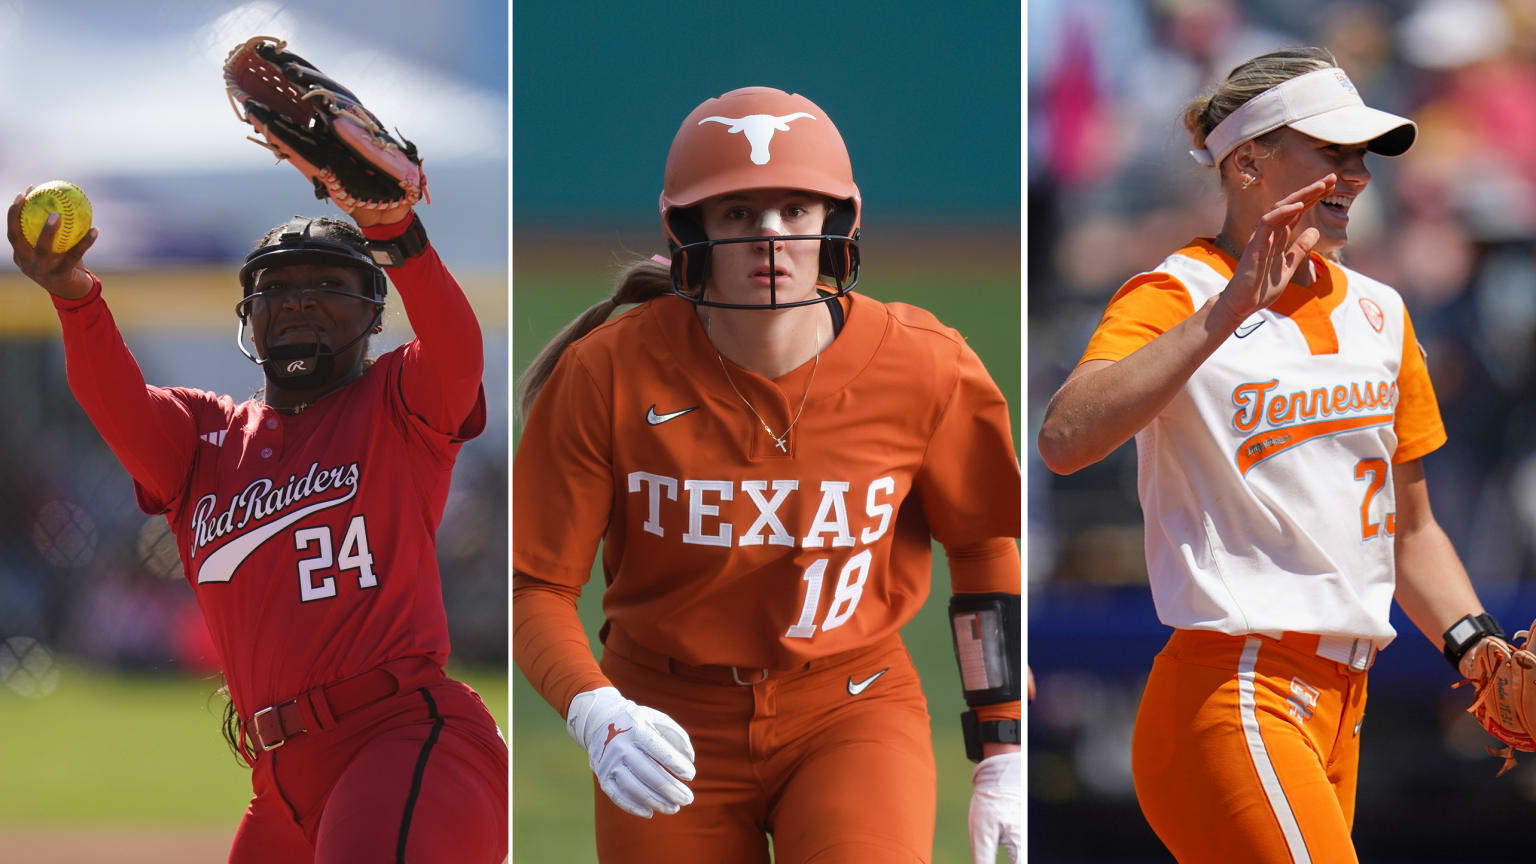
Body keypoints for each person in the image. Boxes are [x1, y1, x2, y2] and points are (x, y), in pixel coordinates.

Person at [512, 86, 1023, 864]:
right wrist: (596, 712)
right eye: (739, 212)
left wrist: (1003, 742)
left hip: (852, 704)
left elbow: (983, 549)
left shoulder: (926, 365)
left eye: (795, 208)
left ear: (836, 223)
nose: (771, 235)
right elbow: (536, 587)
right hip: (661, 718)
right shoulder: (607, 372)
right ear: (692, 231)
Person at [1038, 47, 1511, 863]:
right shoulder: (1179, 293)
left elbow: (1410, 530)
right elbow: (1064, 439)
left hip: (1342, 705)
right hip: (1234, 691)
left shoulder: (1380, 312)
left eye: (1362, 156)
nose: (1357, 175)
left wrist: (1477, 648)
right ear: (1249, 160)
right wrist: (1226, 312)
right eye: (1333, 152)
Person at [7, 181, 507, 858]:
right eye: (276, 287)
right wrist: (73, 296)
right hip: (279, 777)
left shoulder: (397, 403)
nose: (299, 299)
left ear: (374, 314)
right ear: (249, 315)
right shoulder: (201, 439)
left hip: (401, 741)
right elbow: (111, 397)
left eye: (328, 283)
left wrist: (396, 232)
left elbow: (457, 345)